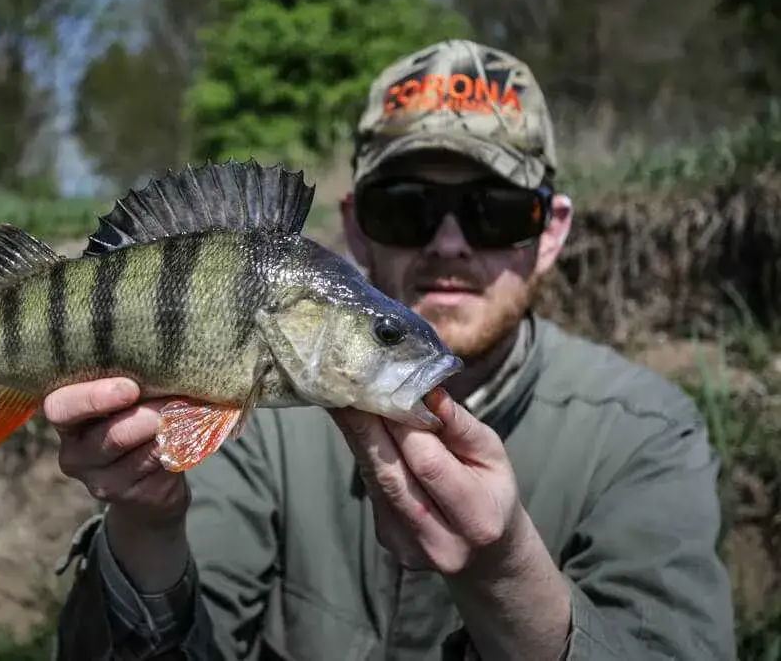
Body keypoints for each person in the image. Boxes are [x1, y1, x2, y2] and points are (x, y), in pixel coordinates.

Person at [47, 39, 736, 660]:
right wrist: (145, 525)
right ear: (356, 227)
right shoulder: (254, 420)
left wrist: (505, 573)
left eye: (494, 209)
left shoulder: (646, 435)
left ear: (550, 230)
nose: (447, 242)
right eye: (404, 207)